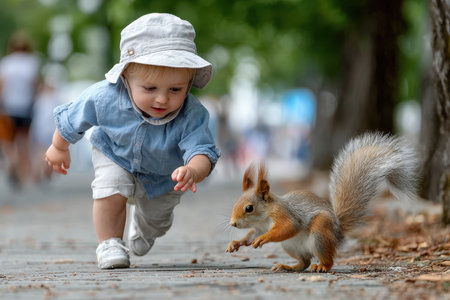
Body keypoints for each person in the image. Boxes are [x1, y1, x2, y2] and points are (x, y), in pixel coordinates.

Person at [44, 13, 220, 269]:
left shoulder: (192, 113)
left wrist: (193, 169)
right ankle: (109, 243)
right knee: (109, 188)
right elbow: (73, 118)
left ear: (189, 83)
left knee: (157, 220)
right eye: (150, 89)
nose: (162, 99)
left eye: (175, 90)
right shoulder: (104, 96)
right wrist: (59, 146)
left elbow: (202, 149)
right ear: (126, 77)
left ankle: (144, 229)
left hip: (165, 176)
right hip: (115, 154)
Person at [0, 30, 40, 186]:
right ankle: (23, 176)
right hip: (26, 108)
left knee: (7, 141)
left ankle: (13, 161)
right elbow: (34, 86)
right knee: (24, 141)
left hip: (9, 107)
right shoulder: (31, 62)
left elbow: (2, 86)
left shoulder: (7, 62)